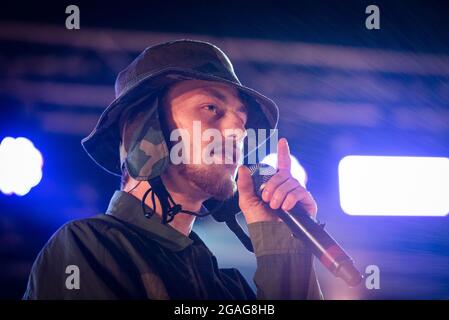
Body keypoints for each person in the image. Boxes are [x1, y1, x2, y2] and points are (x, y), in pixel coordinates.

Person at [23, 40, 323, 300]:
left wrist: (284, 249)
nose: (238, 132)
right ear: (144, 128)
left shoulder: (225, 287)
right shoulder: (87, 248)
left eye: (241, 120)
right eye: (211, 108)